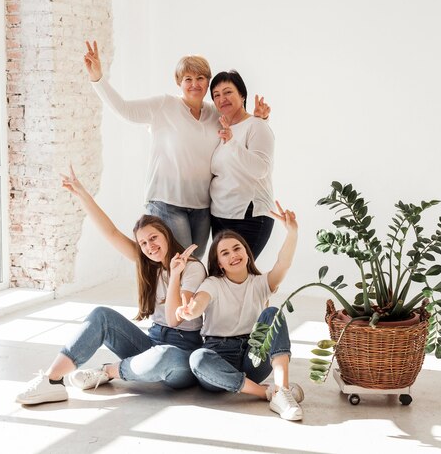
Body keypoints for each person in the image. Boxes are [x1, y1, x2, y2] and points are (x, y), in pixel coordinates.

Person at [15, 165, 206, 405]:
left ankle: (108, 371)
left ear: (166, 234)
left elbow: (174, 319)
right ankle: (52, 380)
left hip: (181, 355)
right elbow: (111, 232)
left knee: (164, 356)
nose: (149, 247)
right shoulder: (149, 264)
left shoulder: (192, 268)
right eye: (143, 243)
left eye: (154, 238)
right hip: (152, 342)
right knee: (101, 315)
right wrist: (82, 193)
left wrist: (176, 275)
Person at [83, 41, 270, 259]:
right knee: (180, 266)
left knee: (193, 267)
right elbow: (124, 110)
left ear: (208, 82)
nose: (194, 84)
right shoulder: (164, 105)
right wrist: (98, 79)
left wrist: (261, 119)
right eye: (187, 79)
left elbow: (240, 132)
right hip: (166, 202)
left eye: (200, 78)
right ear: (179, 82)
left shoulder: (215, 115)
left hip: (202, 208)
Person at [175, 202, 304, 421]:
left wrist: (292, 232)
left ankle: (282, 391)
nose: (233, 255)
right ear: (220, 263)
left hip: (253, 354)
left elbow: (283, 263)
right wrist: (188, 311)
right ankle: (266, 392)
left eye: (237, 248)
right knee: (198, 359)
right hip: (218, 355)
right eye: (225, 253)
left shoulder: (260, 283)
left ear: (246, 252)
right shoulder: (212, 283)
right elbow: (198, 304)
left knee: (272, 312)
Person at [209, 70, 276, 259]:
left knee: (240, 275)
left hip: (249, 214)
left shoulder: (257, 125)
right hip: (220, 215)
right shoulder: (222, 128)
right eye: (216, 95)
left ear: (242, 95)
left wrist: (231, 142)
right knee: (222, 278)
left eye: (228, 92)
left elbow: (260, 169)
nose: (222, 99)